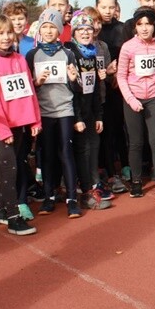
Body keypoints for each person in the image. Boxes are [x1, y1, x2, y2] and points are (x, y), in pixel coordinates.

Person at [0, 14, 39, 235]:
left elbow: (29, 91)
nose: (5, 38)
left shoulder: (20, 59)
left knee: (9, 167)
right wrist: (3, 130)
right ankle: (13, 217)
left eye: (8, 33)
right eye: (0, 34)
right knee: (10, 166)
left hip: (20, 123)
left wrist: (35, 120)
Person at [27, 8, 82, 217]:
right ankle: (49, 197)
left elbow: (76, 89)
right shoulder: (32, 55)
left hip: (65, 110)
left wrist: (74, 78)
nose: (49, 31)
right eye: (45, 27)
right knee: (47, 156)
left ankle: (71, 199)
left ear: (59, 30)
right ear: (40, 29)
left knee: (66, 153)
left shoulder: (68, 53)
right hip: (43, 113)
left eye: (53, 27)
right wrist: (37, 82)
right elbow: (27, 88)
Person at [117, 7, 155, 201]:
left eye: (148, 24)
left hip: (154, 98)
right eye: (140, 24)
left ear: (154, 25)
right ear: (135, 27)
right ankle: (136, 182)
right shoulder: (128, 47)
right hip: (133, 99)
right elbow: (121, 77)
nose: (144, 28)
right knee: (136, 142)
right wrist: (131, 100)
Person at [65, 11, 112, 210]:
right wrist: (77, 117)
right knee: (82, 150)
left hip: (91, 110)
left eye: (89, 29)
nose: (85, 33)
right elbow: (71, 89)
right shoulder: (69, 53)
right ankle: (84, 191)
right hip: (76, 112)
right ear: (74, 32)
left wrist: (98, 115)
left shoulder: (92, 53)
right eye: (81, 29)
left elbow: (92, 89)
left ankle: (94, 185)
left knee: (94, 146)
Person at [95, 0, 129, 193]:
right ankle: (106, 170)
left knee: (119, 127)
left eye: (111, 7)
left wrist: (118, 76)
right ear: (97, 7)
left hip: (118, 85)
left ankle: (125, 165)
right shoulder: (92, 30)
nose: (107, 11)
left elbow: (127, 53)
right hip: (100, 88)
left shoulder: (122, 28)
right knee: (104, 131)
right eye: (103, 7)